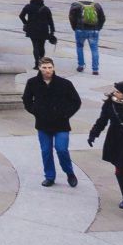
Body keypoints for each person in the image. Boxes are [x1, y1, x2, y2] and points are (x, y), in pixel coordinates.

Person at [87, 79, 123, 220]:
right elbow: (102, 120)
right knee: (119, 169)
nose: (115, 93)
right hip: (115, 141)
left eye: (119, 91)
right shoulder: (110, 104)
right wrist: (93, 134)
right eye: (115, 90)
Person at [22, 57, 81, 188]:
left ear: (53, 68)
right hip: (43, 124)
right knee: (46, 151)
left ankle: (70, 173)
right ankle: (49, 176)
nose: (47, 70)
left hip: (61, 124)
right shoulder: (32, 83)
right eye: (44, 68)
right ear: (39, 68)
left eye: (50, 67)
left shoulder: (64, 84)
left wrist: (66, 114)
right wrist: (35, 111)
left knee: (61, 149)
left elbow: (76, 101)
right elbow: (26, 100)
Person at [68, 0, 106, 75]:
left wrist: (75, 27)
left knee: (80, 47)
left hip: (80, 30)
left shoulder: (76, 4)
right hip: (94, 30)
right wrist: (98, 28)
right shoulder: (96, 5)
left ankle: (81, 65)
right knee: (94, 49)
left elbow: (71, 17)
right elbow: (102, 18)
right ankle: (95, 69)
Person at [19, 0, 58, 66]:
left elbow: (21, 16)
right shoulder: (46, 9)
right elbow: (50, 21)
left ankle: (37, 63)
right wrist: (52, 31)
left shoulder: (28, 6)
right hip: (43, 30)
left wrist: (26, 23)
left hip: (32, 29)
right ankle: (41, 61)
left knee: (35, 46)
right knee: (42, 46)